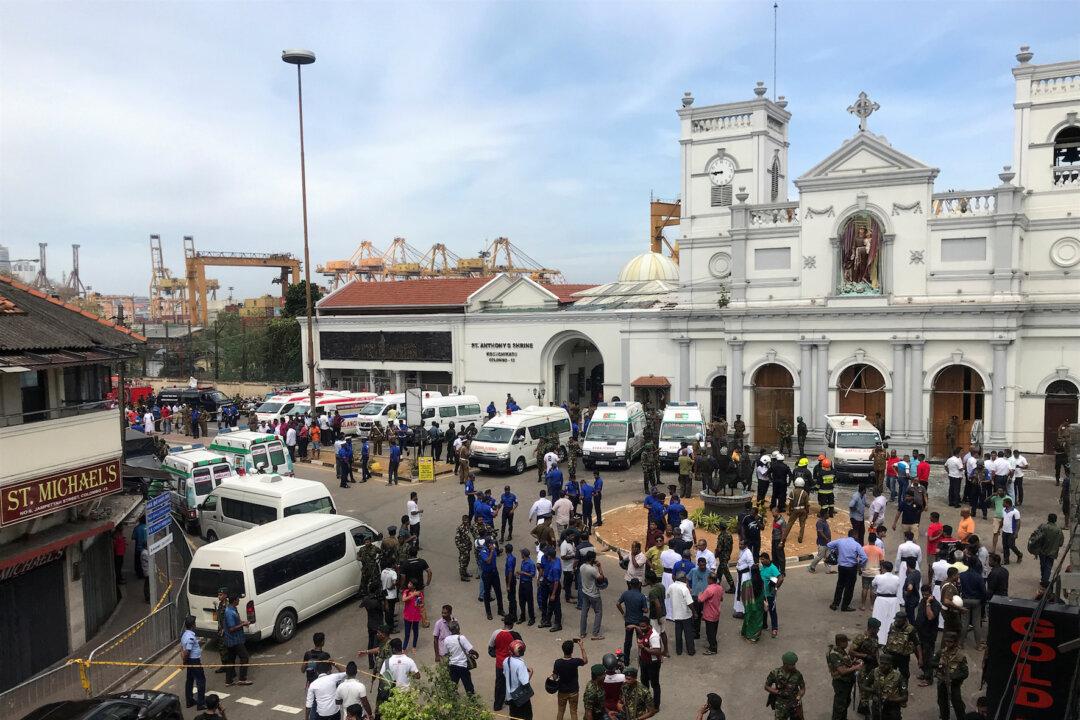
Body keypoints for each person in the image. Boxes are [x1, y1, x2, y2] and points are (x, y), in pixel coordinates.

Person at [828, 529, 868, 612]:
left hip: (841, 567)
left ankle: (835, 604)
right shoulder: (857, 545)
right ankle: (845, 606)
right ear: (855, 535)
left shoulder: (840, 541)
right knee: (849, 587)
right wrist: (860, 565)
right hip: (851, 568)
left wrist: (836, 551)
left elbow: (829, 545)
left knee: (840, 585)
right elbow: (864, 557)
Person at [827, 633, 862, 720]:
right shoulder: (834, 654)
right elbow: (842, 671)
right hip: (840, 683)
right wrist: (856, 667)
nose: (847, 644)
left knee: (846, 703)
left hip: (847, 682)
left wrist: (853, 663)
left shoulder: (841, 651)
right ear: (840, 642)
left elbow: (845, 664)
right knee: (840, 706)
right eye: (846, 642)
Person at [934, 634, 969, 720]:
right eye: (946, 641)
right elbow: (932, 663)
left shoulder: (960, 656)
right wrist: (939, 666)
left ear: (955, 642)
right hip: (942, 682)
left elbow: (965, 673)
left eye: (950, 642)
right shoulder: (941, 652)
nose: (948, 644)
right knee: (942, 703)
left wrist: (953, 677)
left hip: (954, 684)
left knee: (957, 704)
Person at [553, 638, 588, 720]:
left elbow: (555, 677)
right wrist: (581, 646)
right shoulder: (575, 661)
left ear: (563, 650)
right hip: (574, 691)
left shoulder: (558, 662)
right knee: (573, 712)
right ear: (572, 651)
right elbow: (585, 661)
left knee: (560, 711)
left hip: (562, 691)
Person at [764, 652, 805, 720]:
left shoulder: (798, 675)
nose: (794, 666)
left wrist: (798, 697)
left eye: (794, 664)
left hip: (794, 701)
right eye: (791, 664)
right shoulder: (775, 673)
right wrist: (777, 692)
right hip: (781, 703)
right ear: (785, 664)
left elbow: (802, 688)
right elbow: (766, 686)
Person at [222, 595, 252, 686]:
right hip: (235, 640)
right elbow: (231, 628)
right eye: (238, 599)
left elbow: (236, 623)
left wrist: (242, 622)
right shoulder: (230, 612)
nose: (239, 600)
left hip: (232, 640)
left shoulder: (232, 609)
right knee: (244, 657)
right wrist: (243, 625)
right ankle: (242, 679)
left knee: (231, 660)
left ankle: (229, 680)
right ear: (234, 600)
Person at [441, 621, 478, 695]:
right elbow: (470, 650)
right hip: (462, 665)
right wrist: (476, 654)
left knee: (453, 685)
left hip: (452, 665)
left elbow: (445, 653)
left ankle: (452, 700)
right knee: (468, 685)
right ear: (458, 628)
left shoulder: (446, 639)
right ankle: (472, 702)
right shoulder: (461, 638)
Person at [180, 615, 207, 710]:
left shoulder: (185, 634)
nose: (195, 624)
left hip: (190, 661)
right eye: (194, 623)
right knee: (201, 681)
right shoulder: (191, 637)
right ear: (192, 625)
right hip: (194, 661)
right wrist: (184, 661)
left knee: (190, 680)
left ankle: (189, 701)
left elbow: (183, 649)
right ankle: (201, 703)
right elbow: (187, 651)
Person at [666, 571, 695, 655]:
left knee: (678, 634)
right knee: (688, 634)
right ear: (683, 578)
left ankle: (679, 651)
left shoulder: (671, 586)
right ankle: (691, 651)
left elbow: (667, 595)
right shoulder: (684, 588)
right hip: (686, 615)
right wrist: (694, 612)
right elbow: (689, 603)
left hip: (676, 614)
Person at [1031, 513, 1065, 585]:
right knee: (1048, 566)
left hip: (1042, 551)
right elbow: (1061, 543)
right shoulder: (1059, 530)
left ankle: (1044, 579)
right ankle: (1045, 580)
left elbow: (1036, 538)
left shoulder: (1043, 527)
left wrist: (1035, 550)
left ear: (1048, 519)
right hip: (1052, 552)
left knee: (1043, 565)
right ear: (1055, 520)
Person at [579, 550, 605, 640]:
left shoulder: (582, 567)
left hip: (585, 592)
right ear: (593, 559)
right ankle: (595, 633)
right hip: (594, 594)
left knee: (584, 612)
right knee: (598, 612)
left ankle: (582, 633)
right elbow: (601, 578)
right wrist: (599, 566)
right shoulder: (593, 570)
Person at [504, 639, 534, 720]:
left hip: (510, 695)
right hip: (520, 696)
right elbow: (525, 683)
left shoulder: (506, 660)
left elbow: (506, 673)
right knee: (527, 717)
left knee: (513, 717)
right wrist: (530, 673)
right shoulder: (520, 664)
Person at [740, 564, 766, 642]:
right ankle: (755, 636)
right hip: (759, 603)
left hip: (751, 604)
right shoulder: (761, 581)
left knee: (749, 618)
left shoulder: (747, 583)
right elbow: (763, 592)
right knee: (758, 619)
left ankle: (747, 633)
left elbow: (743, 594)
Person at [760, 552, 783, 638]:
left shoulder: (773, 568)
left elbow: (780, 578)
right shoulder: (763, 567)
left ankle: (774, 629)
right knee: (763, 610)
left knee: (772, 611)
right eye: (760, 559)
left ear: (767, 559)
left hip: (770, 594)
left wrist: (775, 588)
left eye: (763, 559)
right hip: (763, 594)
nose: (761, 561)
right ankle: (764, 625)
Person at [808, 509, 836, 574]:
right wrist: (826, 538)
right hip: (822, 543)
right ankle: (811, 567)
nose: (828, 515)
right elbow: (820, 532)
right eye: (827, 513)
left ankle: (829, 570)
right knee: (820, 556)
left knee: (828, 557)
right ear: (824, 515)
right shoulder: (819, 522)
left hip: (827, 543)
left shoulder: (825, 521)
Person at [401, 581, 424, 650]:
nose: (408, 585)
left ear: (414, 586)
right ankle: (404, 648)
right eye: (409, 583)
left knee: (415, 632)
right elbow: (403, 599)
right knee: (407, 633)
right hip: (407, 616)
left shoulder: (419, 593)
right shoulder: (406, 591)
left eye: (410, 584)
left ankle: (414, 646)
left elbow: (422, 603)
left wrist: (419, 604)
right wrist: (413, 595)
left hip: (416, 616)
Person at [1001, 498, 1022, 564]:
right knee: (1005, 546)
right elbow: (1003, 519)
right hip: (1004, 531)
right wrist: (999, 528)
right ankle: (1006, 560)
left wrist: (1016, 532)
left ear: (1007, 503)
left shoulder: (1015, 512)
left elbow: (1018, 522)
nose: (1002, 504)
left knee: (1011, 545)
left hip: (1011, 532)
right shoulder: (1003, 510)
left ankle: (1019, 554)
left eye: (1003, 503)